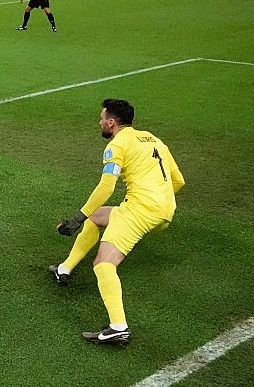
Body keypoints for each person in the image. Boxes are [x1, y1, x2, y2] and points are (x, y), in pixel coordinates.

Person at [51, 99, 185, 345]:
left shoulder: (117, 145)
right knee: (98, 215)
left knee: (103, 264)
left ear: (111, 122)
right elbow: (179, 181)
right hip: (165, 209)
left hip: (140, 210)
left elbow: (106, 186)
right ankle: (64, 269)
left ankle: (118, 327)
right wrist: (156, 203)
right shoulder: (152, 139)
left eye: (102, 118)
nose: (99, 122)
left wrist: (76, 218)